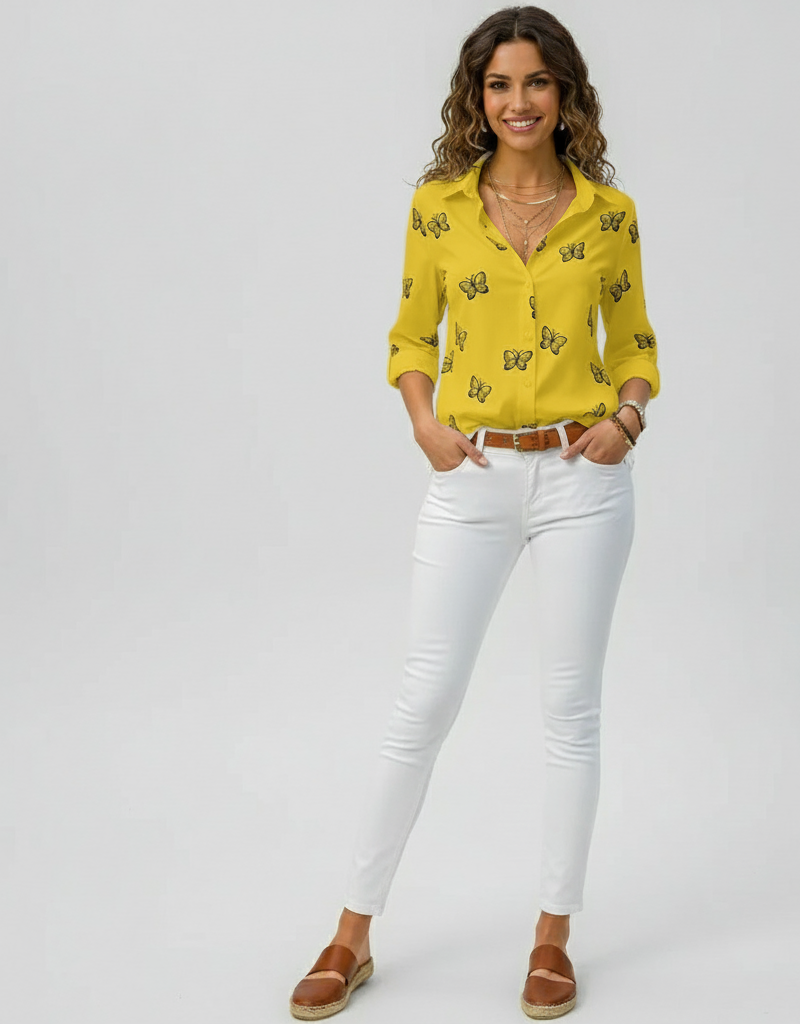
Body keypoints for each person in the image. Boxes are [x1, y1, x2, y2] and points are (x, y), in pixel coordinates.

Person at [289, 6, 659, 1019]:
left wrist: (627, 419)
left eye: (536, 82)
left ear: (565, 93)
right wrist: (424, 422)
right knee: (422, 701)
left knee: (569, 711)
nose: (518, 101)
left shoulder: (609, 215)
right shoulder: (440, 209)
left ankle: (552, 936)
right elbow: (412, 335)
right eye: (499, 84)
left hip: (583, 480)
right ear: (476, 98)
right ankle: (351, 934)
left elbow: (634, 343)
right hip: (472, 474)